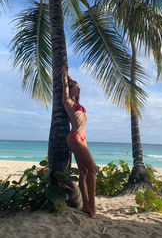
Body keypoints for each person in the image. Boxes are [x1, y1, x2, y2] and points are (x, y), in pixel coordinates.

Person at [61, 65, 98, 219]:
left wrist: (70, 79)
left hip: (80, 138)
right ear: (70, 89)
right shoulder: (67, 101)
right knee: (93, 169)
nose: (78, 88)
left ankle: (85, 206)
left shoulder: (78, 105)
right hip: (75, 136)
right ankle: (92, 206)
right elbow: (64, 87)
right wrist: (65, 75)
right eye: (74, 87)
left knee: (84, 172)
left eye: (77, 87)